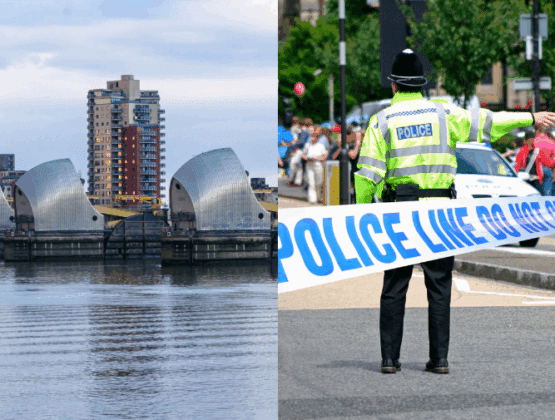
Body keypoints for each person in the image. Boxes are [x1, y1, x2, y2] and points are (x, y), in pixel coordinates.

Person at [355, 49, 555, 375]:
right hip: (439, 214)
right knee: (439, 287)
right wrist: (531, 118)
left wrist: (362, 215)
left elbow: (366, 176)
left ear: (394, 86)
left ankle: (390, 360)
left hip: (398, 213)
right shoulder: (443, 114)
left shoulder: (382, 121)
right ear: (421, 84)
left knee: (394, 287)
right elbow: (490, 123)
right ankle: (439, 360)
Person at [302, 129, 328, 203]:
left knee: (318, 182)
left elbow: (324, 157)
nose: (312, 139)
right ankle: (312, 199)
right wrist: (306, 158)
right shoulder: (307, 145)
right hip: (309, 165)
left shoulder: (321, 146)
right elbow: (303, 155)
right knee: (311, 183)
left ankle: (317, 196)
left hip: (318, 165)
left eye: (314, 137)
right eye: (312, 137)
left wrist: (317, 158)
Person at [532, 125, 555, 195]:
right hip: (548, 169)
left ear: (536, 131)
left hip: (535, 170)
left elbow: (533, 156)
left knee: (536, 193)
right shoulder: (551, 142)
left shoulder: (535, 141)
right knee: (547, 194)